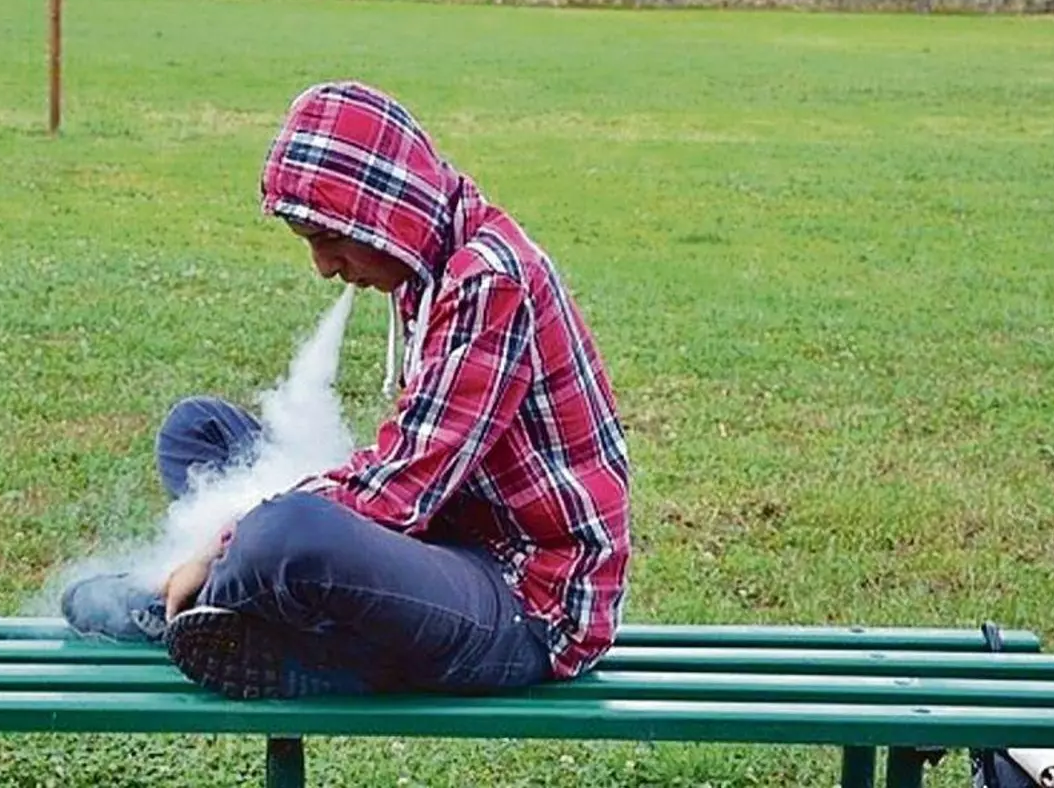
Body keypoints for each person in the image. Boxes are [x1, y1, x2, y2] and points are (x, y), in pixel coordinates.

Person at [62, 80, 630, 699]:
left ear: (387, 212)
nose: (324, 267)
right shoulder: (429, 261)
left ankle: (193, 603)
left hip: (531, 602)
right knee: (198, 431)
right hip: (449, 540)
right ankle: (242, 604)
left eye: (329, 238)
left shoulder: (490, 281)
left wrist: (223, 542)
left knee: (288, 534)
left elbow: (404, 486)